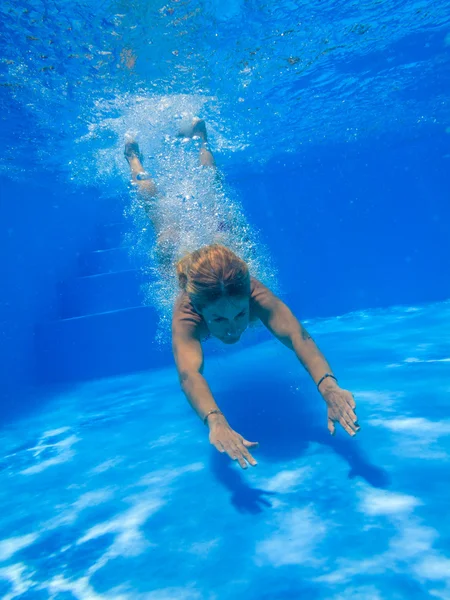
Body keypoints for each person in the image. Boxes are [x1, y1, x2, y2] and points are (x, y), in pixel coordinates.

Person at [125, 118, 360, 470]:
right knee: (162, 225)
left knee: (213, 196)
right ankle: (134, 159)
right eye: (219, 319)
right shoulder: (187, 311)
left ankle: (201, 137)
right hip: (180, 254)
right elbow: (190, 374)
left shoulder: (254, 294)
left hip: (224, 259)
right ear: (201, 311)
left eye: (238, 314)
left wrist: (328, 387)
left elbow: (298, 337)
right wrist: (215, 420)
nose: (233, 328)